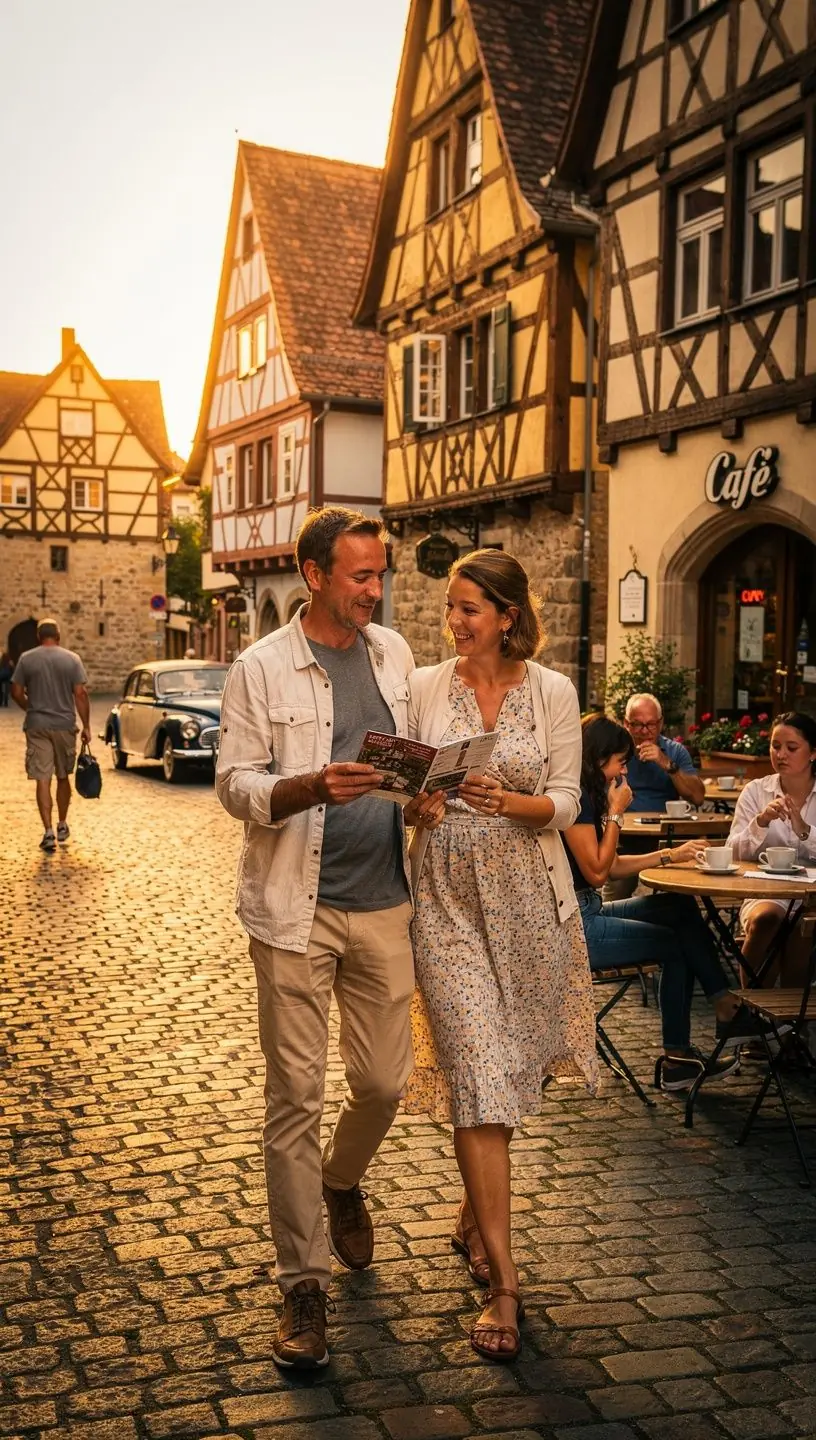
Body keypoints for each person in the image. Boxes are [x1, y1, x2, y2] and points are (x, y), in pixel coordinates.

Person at [215, 506, 439, 1371]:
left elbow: (413, 757)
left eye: (380, 575)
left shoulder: (393, 655)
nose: (375, 590)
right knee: (294, 1099)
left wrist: (422, 796)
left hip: (386, 899)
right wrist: (310, 785)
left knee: (385, 1082)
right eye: (360, 577)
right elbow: (234, 784)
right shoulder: (260, 667)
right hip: (292, 912)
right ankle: (301, 1285)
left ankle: (341, 1182)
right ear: (315, 575)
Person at [405, 549, 597, 1364]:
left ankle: (472, 1215)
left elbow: (568, 801)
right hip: (445, 897)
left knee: (507, 1075)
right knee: (478, 1067)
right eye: (452, 607)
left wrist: (507, 800)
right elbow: (403, 785)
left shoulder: (552, 691)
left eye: (470, 609)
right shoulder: (423, 687)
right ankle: (506, 1286)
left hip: (525, 902)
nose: (455, 622)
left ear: (508, 615)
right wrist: (417, 800)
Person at [563, 714, 772, 1093]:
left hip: (589, 908)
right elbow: (598, 873)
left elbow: (611, 866)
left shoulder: (590, 794)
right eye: (620, 762)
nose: (624, 769)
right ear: (598, 760)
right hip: (576, 925)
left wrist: (670, 855)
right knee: (673, 947)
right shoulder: (578, 800)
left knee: (678, 908)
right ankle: (678, 1059)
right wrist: (615, 813)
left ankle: (724, 1003)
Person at [728, 711, 816, 994]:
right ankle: (752, 1013)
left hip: (812, 895)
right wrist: (761, 823)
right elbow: (732, 851)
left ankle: (789, 1026)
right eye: (775, 746)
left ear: (813, 753)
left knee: (803, 925)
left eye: (792, 748)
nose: (781, 754)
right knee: (766, 918)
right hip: (766, 889)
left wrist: (803, 829)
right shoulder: (756, 791)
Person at [604, 693, 705, 901]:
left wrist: (667, 763)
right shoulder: (615, 751)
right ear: (626, 724)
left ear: (661, 724)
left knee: (680, 894)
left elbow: (697, 797)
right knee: (617, 889)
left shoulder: (675, 751)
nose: (644, 731)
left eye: (650, 725)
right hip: (624, 835)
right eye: (637, 725)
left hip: (666, 836)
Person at [10, 619, 91, 852]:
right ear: (58, 635)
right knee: (63, 775)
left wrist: (30, 708)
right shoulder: (72, 659)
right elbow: (80, 694)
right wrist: (86, 726)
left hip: (37, 725)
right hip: (64, 724)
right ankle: (62, 824)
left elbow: (16, 692)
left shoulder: (26, 659)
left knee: (42, 778)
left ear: (38, 636)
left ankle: (47, 832)